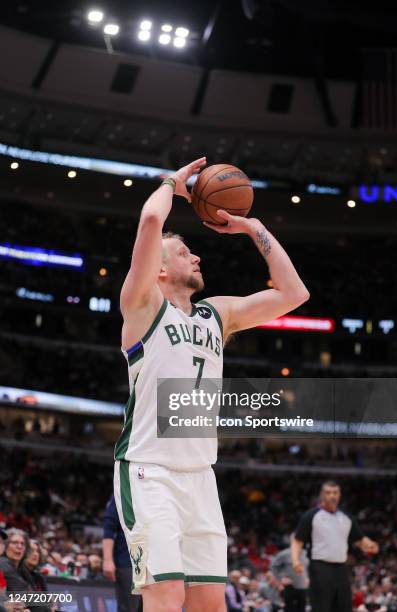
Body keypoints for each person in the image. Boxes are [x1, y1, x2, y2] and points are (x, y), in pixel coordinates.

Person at [113, 156, 309, 612]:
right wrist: (171, 183)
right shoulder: (142, 306)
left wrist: (253, 228)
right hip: (148, 471)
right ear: (159, 271)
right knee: (165, 597)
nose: (196, 255)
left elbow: (293, 294)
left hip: (201, 477)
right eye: (183, 252)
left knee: (209, 605)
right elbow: (149, 218)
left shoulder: (215, 315)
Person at [291, 480, 379, 612]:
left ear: (339, 495)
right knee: (321, 607)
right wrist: (296, 561)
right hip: (319, 567)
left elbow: (360, 540)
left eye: (335, 493)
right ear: (321, 495)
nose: (332, 496)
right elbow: (297, 541)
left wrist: (371, 545)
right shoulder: (311, 516)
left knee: (344, 607)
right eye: (328, 492)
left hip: (341, 569)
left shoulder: (346, 518)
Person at [103, 495, 142, 611]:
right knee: (129, 608)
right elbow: (109, 527)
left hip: (152, 564)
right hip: (127, 562)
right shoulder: (122, 492)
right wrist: (107, 560)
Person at [270, 544, 308, 612]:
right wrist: (281, 578)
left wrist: (308, 577)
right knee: (289, 608)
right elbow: (273, 566)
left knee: (302, 608)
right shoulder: (284, 554)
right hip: (289, 585)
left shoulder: (306, 553)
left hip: (303, 586)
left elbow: (309, 568)